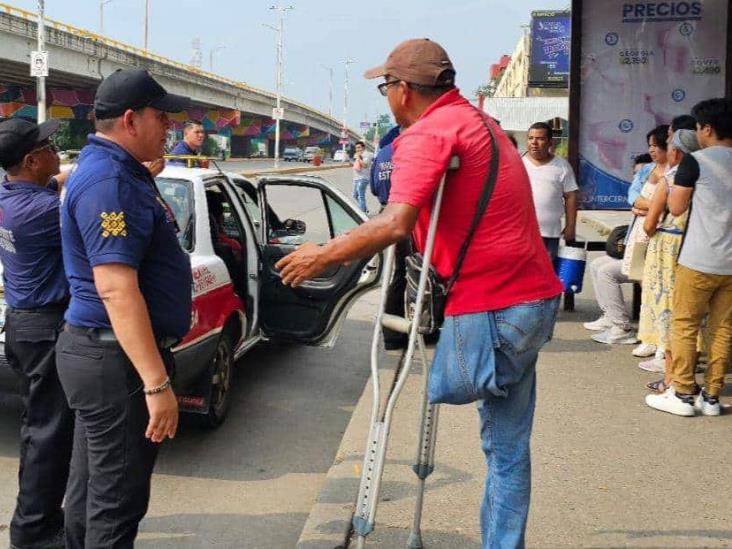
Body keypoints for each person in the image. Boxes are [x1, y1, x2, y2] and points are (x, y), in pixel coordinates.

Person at [275, 38, 562, 547]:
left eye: (386, 86)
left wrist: (324, 254)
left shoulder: (426, 135)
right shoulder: (483, 126)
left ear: (404, 89)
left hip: (491, 305)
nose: (386, 95)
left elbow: (393, 223)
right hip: (536, 301)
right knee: (508, 448)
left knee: (444, 386)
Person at [56, 68, 193, 548]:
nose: (170, 127)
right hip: (116, 363)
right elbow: (116, 289)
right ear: (132, 120)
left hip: (103, 355)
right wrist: (156, 384)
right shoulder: (109, 182)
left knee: (92, 490)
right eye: (162, 117)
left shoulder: (112, 171)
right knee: (117, 502)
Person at [0, 118, 72, 549]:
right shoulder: (44, 212)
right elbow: (80, 205)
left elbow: (59, 181)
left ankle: (40, 518)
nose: (55, 149)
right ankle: (34, 532)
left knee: (38, 427)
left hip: (23, 326)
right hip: (45, 330)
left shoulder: (11, 195)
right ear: (31, 160)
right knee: (48, 434)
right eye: (47, 145)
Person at [646, 98, 732, 417]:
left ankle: (682, 393)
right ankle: (711, 397)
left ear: (708, 128)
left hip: (697, 259)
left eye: (698, 127)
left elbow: (678, 207)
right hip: (730, 264)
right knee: (723, 329)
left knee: (684, 324)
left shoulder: (696, 162)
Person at [592, 125, 669, 345]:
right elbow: (633, 197)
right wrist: (653, 206)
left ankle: (652, 338)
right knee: (643, 283)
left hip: (661, 236)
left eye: (656, 145)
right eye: (650, 146)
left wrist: (648, 209)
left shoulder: (676, 172)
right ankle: (644, 334)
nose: (653, 150)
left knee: (655, 288)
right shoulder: (647, 171)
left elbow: (671, 206)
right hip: (640, 236)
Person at [638, 129, 700, 390]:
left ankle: (671, 378)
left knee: (667, 309)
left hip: (666, 248)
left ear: (676, 152)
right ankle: (691, 375)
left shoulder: (670, 179)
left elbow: (649, 224)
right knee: (693, 312)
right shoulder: (706, 176)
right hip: (697, 247)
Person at [368, 125, 409, 349]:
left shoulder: (382, 155)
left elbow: (374, 188)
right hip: (407, 216)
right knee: (405, 275)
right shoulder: (408, 150)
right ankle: (395, 335)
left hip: (386, 212)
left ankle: (395, 332)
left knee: (399, 274)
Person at [522, 121, 578, 261]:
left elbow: (571, 196)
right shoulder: (517, 163)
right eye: (531, 138)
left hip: (549, 234)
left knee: (545, 275)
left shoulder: (562, 167)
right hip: (520, 233)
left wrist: (570, 226)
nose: (534, 142)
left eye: (540, 139)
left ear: (550, 142)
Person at [352, 140, 373, 213]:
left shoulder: (367, 154)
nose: (357, 149)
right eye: (356, 148)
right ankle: (364, 209)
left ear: (363, 147)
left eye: (359, 147)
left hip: (363, 178)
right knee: (355, 195)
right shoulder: (358, 155)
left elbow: (365, 165)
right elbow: (356, 166)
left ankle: (362, 213)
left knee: (361, 196)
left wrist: (358, 157)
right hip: (356, 178)